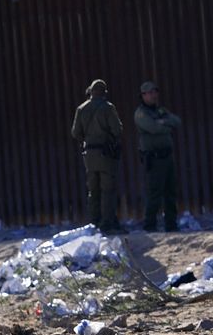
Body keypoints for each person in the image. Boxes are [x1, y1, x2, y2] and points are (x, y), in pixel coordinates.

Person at [71, 79, 125, 234]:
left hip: (89, 155)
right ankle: (107, 224)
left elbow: (75, 133)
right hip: (106, 153)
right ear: (104, 92)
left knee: (93, 189)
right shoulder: (108, 108)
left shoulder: (81, 109)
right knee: (108, 189)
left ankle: (94, 222)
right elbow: (117, 130)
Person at [134, 81, 182, 232]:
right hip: (154, 158)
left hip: (167, 156)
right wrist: (164, 125)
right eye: (150, 92)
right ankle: (150, 226)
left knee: (171, 192)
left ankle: (171, 225)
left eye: (155, 91)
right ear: (143, 95)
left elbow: (177, 121)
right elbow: (153, 128)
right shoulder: (141, 113)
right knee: (154, 193)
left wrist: (162, 121)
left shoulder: (160, 110)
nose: (154, 95)